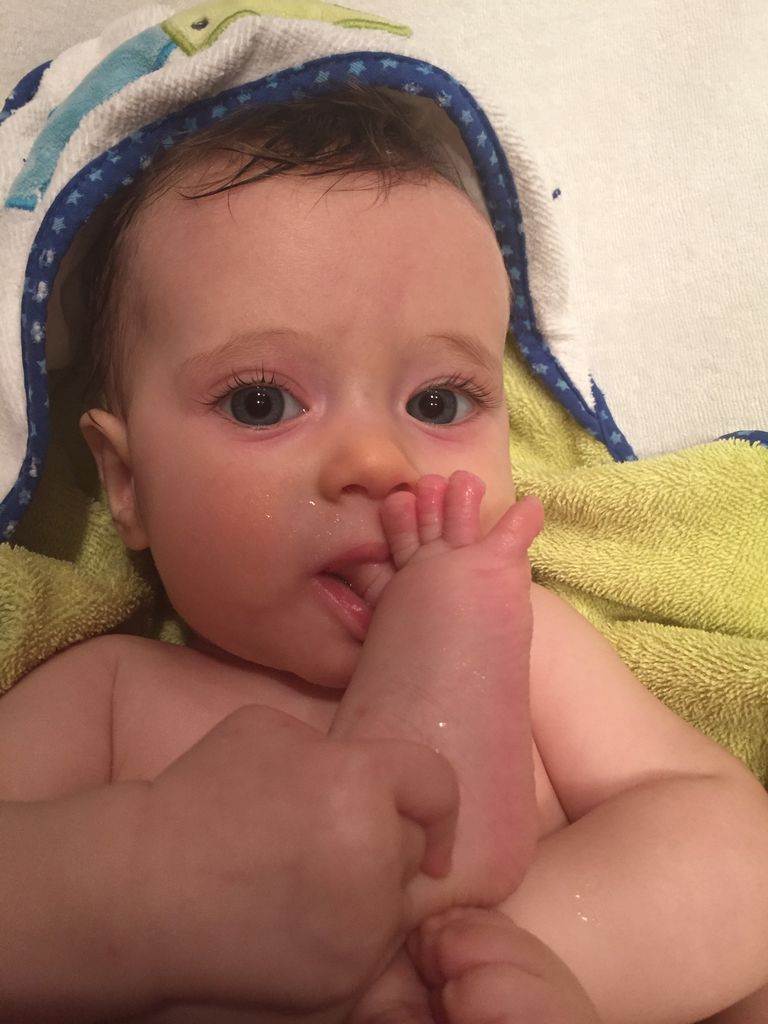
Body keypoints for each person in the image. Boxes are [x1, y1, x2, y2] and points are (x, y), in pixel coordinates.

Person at [2, 88, 767, 1022]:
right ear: (126, 483)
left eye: (438, 403)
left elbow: (732, 839)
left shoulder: (527, 648)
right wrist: (140, 880)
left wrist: (505, 959)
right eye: (261, 403)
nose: (377, 461)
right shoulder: (112, 699)